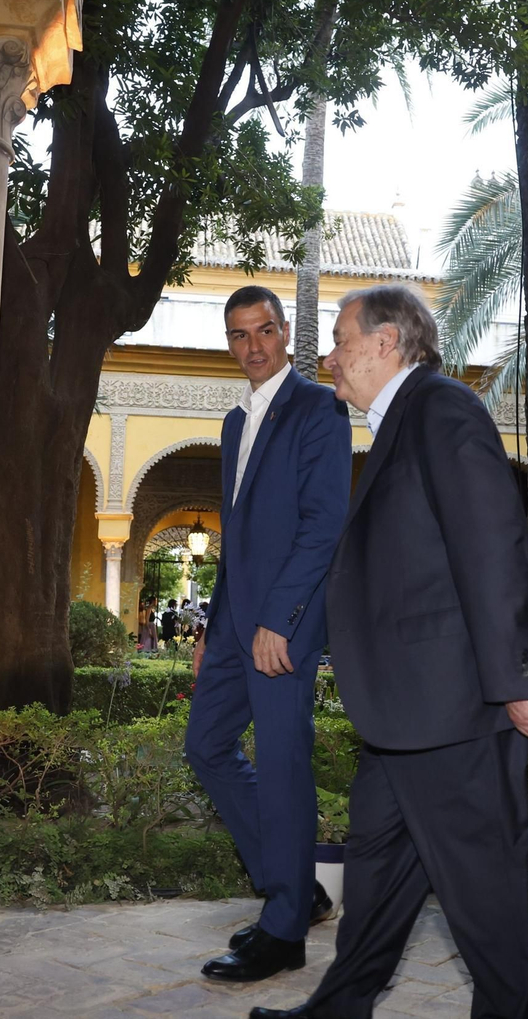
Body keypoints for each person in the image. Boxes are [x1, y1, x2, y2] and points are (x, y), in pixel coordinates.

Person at [251, 284, 528, 1019]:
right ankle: (339, 1008)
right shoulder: (402, 423)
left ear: (388, 343)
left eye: (340, 340)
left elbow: (490, 548)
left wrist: (515, 679)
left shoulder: (441, 409)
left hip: (454, 706)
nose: (328, 357)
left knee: (482, 891)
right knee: (378, 876)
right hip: (406, 712)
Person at [185, 285, 351, 983]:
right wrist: (213, 625)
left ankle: (284, 929)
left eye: (264, 331)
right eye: (239, 334)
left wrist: (278, 622)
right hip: (232, 624)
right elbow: (238, 535)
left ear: (286, 334)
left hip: (281, 625)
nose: (253, 346)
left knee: (282, 766)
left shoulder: (319, 408)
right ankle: (298, 887)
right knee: (206, 745)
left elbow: (322, 524)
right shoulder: (233, 422)